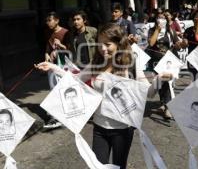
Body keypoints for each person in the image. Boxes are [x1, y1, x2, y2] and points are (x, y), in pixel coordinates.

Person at [35, 23, 173, 168]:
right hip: (99, 127)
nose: (103, 49)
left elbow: (148, 94)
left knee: (119, 166)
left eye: (107, 44)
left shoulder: (130, 65)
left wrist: (159, 80)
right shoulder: (96, 64)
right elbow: (75, 81)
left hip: (123, 129)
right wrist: (53, 68)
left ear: (119, 43)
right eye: (100, 44)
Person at [146, 12, 182, 119]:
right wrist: (157, 29)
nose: (161, 19)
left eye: (163, 18)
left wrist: (180, 44)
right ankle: (164, 103)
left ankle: (167, 107)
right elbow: (151, 43)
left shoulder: (170, 30)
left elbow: (177, 44)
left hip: (168, 62)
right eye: (159, 18)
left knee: (166, 83)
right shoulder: (152, 30)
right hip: (156, 62)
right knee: (161, 83)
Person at [44, 12, 69, 129]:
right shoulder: (49, 33)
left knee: (63, 89)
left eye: (50, 20)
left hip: (63, 66)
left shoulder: (65, 32)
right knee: (53, 89)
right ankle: (55, 116)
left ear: (57, 20)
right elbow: (47, 49)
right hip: (52, 65)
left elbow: (71, 49)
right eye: (47, 21)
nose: (48, 23)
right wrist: (47, 56)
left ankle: (66, 114)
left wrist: (60, 47)